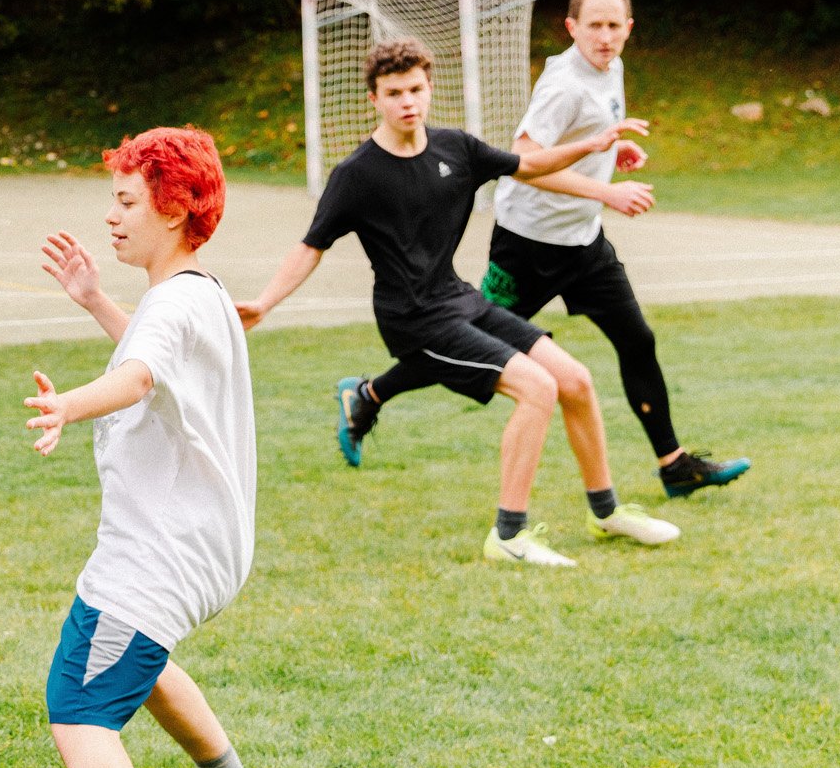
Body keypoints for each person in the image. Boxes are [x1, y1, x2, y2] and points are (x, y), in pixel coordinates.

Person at [240, 39, 680, 567]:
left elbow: (530, 165)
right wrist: (265, 303)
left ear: (430, 89)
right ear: (374, 99)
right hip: (415, 320)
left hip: (459, 299)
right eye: (395, 92)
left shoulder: (456, 149)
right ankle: (509, 535)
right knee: (536, 389)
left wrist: (595, 144)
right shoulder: (357, 175)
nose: (408, 101)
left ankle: (605, 512)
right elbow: (311, 246)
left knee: (575, 381)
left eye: (417, 89)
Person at [345, 0, 751, 498]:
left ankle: (675, 466)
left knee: (637, 340)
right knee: (461, 345)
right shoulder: (564, 84)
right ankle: (370, 394)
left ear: (628, 28)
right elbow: (523, 164)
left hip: (584, 245)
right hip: (527, 245)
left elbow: (580, 141)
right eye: (594, 27)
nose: (604, 37)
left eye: (613, 26)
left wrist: (610, 156)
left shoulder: (612, 68)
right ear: (571, 28)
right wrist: (607, 192)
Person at [25, 127, 266, 768]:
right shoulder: (195, 291)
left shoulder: (177, 302)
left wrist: (70, 405)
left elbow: (138, 374)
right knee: (140, 654)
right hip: (205, 546)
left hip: (161, 550)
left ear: (173, 207)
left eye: (127, 200)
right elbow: (153, 353)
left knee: (82, 707)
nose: (112, 215)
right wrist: (95, 297)